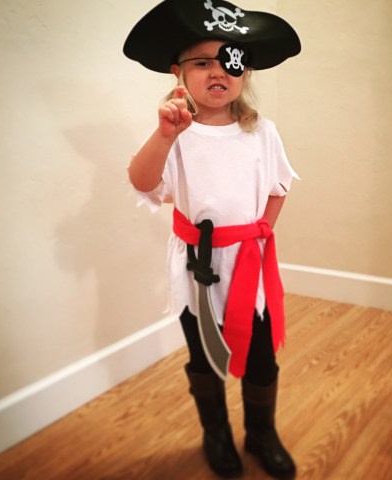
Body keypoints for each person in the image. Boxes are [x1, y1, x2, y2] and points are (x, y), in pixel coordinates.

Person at [124, 1, 301, 478]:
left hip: (248, 265)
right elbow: (143, 183)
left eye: (230, 61)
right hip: (194, 268)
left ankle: (261, 432)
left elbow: (279, 187)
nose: (218, 70)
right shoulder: (175, 134)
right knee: (204, 356)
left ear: (246, 72)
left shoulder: (261, 132)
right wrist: (164, 136)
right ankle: (216, 431)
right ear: (178, 72)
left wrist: (258, 236)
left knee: (260, 355)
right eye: (202, 62)